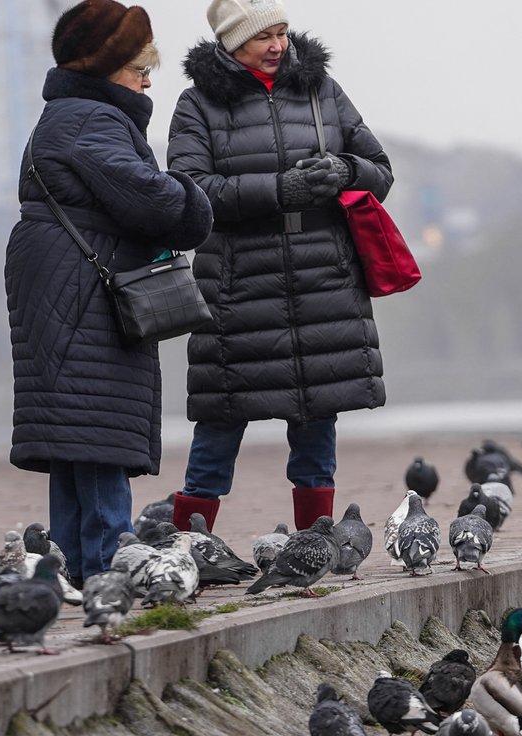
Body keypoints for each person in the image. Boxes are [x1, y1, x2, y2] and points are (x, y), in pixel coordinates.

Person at [5, 0, 214, 583]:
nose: (148, 80)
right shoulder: (92, 120)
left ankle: (69, 574)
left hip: (63, 281)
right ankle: (106, 576)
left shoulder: (68, 116)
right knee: (97, 435)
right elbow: (154, 200)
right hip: (82, 291)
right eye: (139, 67)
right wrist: (192, 193)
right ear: (105, 68)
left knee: (76, 436)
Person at [167, 0, 393, 532]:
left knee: (318, 416)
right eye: (262, 36)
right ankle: (189, 546)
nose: (277, 46)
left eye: (282, 33)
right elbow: (190, 190)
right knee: (221, 417)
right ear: (229, 43)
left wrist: (344, 169)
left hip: (323, 278)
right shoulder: (195, 104)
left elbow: (379, 172)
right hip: (237, 281)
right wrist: (277, 189)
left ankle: (316, 543)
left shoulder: (323, 90)